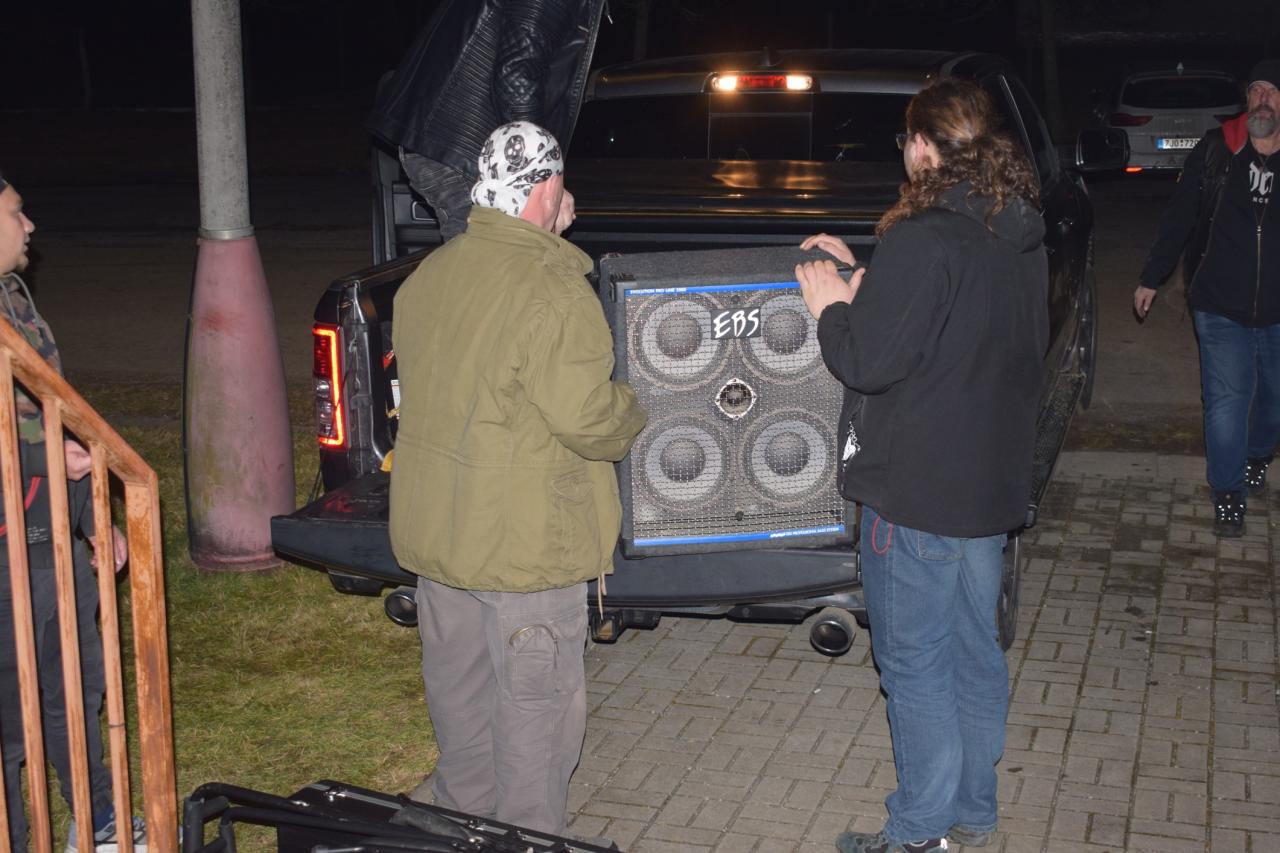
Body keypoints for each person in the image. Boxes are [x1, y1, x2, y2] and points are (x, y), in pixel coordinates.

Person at [794, 80, 1047, 853]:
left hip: (915, 495)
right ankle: (972, 809)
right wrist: (865, 280)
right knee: (974, 651)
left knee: (915, 665)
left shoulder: (924, 235)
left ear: (925, 146)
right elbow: (947, 327)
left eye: (909, 139)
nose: (905, 152)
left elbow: (869, 361)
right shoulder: (1017, 229)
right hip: (987, 491)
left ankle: (917, 832)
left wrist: (832, 309)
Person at [387, 122, 646, 836]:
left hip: (441, 535)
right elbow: (587, 417)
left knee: (461, 695)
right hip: (523, 547)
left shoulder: (432, 274)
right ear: (547, 186)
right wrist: (633, 407)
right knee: (535, 705)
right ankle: (529, 838)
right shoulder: (552, 289)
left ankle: (458, 821)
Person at [0, 174, 139, 853]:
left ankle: (98, 813)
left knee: (77, 686)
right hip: (5, 554)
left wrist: (89, 519)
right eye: (15, 212)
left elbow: (54, 415)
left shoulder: (15, 303)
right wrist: (41, 457)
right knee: (9, 713)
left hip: (49, 535)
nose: (29, 225)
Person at [1134, 59, 1280, 538]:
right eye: (1256, 91)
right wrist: (1152, 276)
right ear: (1246, 99)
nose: (1263, 100)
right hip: (1218, 304)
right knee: (1227, 400)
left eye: (1273, 92)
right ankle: (1228, 492)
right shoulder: (1218, 149)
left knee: (1274, 401)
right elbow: (1181, 215)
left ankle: (1257, 455)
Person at [367, 0, 607, 241]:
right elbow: (516, 78)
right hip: (462, 146)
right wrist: (543, 173)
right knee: (489, 254)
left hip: (454, 141)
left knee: (488, 254)